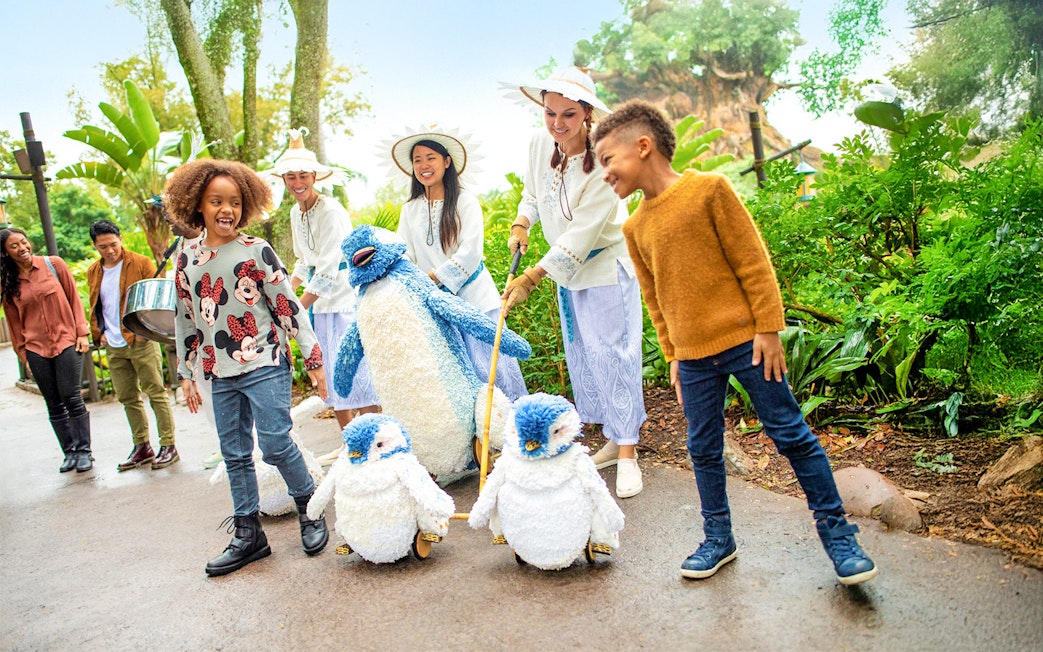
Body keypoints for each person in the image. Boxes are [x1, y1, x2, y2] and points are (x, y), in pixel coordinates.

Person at [594, 99, 878, 585]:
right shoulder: (634, 227)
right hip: (692, 359)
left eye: (607, 159)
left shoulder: (709, 190)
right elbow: (655, 299)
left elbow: (753, 262)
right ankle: (718, 538)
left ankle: (839, 536)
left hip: (747, 342)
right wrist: (673, 355)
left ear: (642, 147)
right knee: (703, 448)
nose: (604, 172)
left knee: (790, 434)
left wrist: (768, 328)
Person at [165, 159, 330, 576]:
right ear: (197, 204)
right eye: (216, 201)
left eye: (235, 202)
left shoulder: (256, 250)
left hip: (264, 361)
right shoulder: (186, 259)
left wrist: (312, 358)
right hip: (218, 370)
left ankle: (310, 507)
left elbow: (287, 305)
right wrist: (186, 374)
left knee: (274, 444)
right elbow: (186, 319)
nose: (227, 209)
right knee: (234, 454)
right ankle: (248, 534)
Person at [500, 67, 645, 498]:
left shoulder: (606, 162)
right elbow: (532, 193)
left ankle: (628, 452)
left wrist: (532, 276)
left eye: (568, 115)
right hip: (569, 273)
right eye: (550, 113)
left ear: (586, 114)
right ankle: (614, 439)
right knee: (587, 354)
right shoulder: (538, 143)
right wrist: (522, 222)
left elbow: (581, 234)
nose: (557, 124)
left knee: (615, 354)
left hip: (604, 268)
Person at [390, 125, 527, 400]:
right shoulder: (409, 209)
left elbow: (471, 252)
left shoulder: (465, 201)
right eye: (417, 160)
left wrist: (434, 278)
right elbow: (404, 256)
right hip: (437, 308)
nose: (424, 165)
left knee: (493, 375)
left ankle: (512, 424)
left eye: (431, 158)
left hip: (475, 301)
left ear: (446, 161)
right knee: (457, 384)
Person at [269, 128, 380, 433]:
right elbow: (304, 261)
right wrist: (287, 295)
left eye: (303, 176)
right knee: (329, 373)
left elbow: (328, 271)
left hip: (343, 301)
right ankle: (350, 440)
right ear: (284, 180)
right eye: (291, 177)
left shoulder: (331, 210)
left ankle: (376, 437)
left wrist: (295, 310)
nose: (298, 183)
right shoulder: (295, 213)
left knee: (356, 372)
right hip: (321, 308)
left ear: (314, 177)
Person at [86, 220, 178, 471]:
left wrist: (143, 332)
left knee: (155, 391)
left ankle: (168, 445)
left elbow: (156, 298)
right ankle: (142, 446)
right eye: (103, 247)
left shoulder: (140, 262)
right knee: (127, 397)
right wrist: (100, 333)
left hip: (140, 339)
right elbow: (96, 305)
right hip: (114, 343)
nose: (110, 251)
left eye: (113, 244)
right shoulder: (94, 271)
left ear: (121, 239)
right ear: (95, 246)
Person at [1, 227, 94, 473]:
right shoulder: (8, 283)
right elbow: (14, 323)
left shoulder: (54, 265)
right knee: (52, 402)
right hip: (35, 348)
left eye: (23, 242)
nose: (22, 248)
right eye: (14, 246)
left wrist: (82, 331)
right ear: (6, 253)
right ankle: (70, 452)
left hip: (66, 340)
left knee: (70, 395)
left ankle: (84, 451)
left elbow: (74, 298)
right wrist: (23, 354)